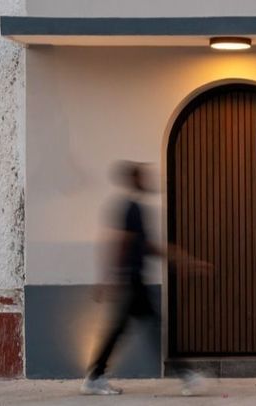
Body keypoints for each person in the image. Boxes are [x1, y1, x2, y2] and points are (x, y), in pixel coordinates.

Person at [81, 161, 210, 396]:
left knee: (126, 329)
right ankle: (187, 375)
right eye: (143, 177)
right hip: (132, 281)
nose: (147, 181)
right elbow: (123, 243)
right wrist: (108, 279)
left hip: (134, 280)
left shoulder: (137, 209)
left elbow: (147, 246)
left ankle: (96, 376)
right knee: (151, 328)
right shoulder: (132, 209)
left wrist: (181, 259)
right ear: (135, 180)